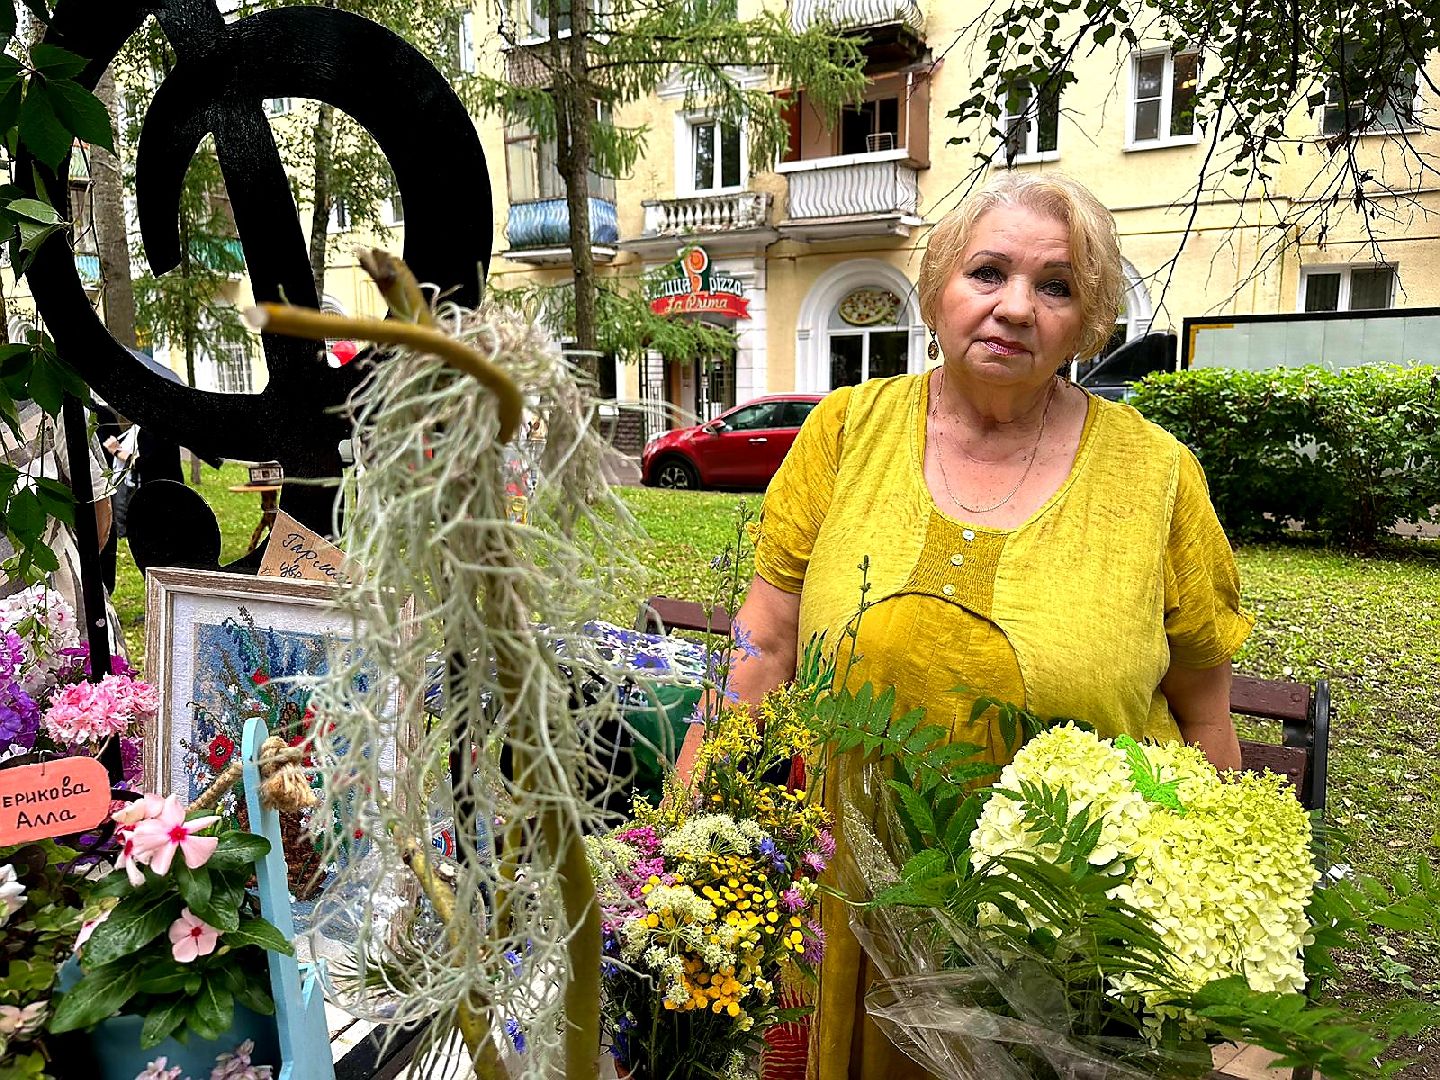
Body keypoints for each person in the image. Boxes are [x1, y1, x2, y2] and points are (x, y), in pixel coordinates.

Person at [678, 172, 1252, 1079]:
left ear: (1090, 317)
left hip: (1070, 936)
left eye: (1056, 286)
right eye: (987, 272)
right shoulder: (845, 431)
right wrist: (673, 848)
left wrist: (1225, 953)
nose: (1015, 308)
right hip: (854, 899)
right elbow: (765, 650)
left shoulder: (1158, 476)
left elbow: (1205, 716)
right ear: (941, 286)